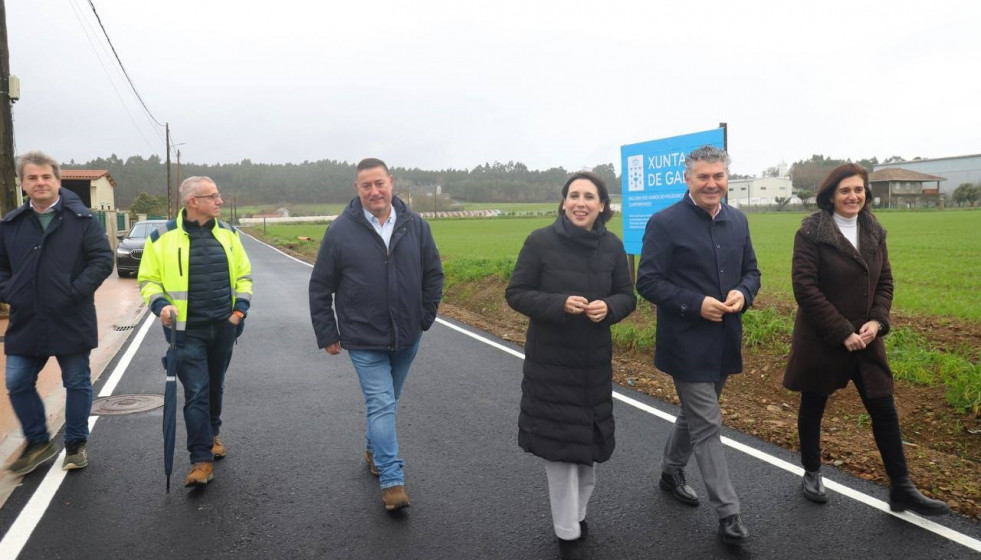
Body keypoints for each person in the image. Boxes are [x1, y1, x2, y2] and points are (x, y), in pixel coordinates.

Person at [783, 164, 950, 516]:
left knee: (884, 408)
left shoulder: (874, 230)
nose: (853, 196)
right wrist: (841, 330)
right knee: (814, 405)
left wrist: (877, 321)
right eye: (845, 190)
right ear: (830, 195)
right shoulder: (811, 232)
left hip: (867, 337)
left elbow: (885, 282)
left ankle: (902, 487)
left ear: (866, 194)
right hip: (824, 336)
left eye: (859, 190)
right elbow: (805, 288)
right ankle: (812, 472)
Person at [505, 171, 636, 560]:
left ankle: (577, 514)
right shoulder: (540, 242)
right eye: (574, 195)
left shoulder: (612, 246)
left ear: (602, 206)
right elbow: (517, 293)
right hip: (551, 361)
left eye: (589, 196)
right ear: (564, 202)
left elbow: (627, 296)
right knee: (561, 448)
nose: (581, 202)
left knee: (588, 445)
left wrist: (609, 308)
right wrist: (558, 304)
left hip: (593, 363)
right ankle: (566, 529)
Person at [636, 145, 760, 544]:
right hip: (685, 342)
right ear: (687, 179)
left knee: (694, 416)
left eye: (718, 176)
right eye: (703, 176)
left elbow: (752, 272)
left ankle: (671, 470)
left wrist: (743, 293)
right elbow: (648, 281)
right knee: (708, 422)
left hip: (725, 340)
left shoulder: (738, 221)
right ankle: (729, 513)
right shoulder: (664, 222)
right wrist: (696, 303)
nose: (712, 183)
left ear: (727, 178)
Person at [309, 158, 443, 511]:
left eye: (379, 183)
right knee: (381, 403)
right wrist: (328, 331)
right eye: (366, 185)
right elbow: (321, 285)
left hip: (407, 335)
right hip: (363, 337)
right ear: (357, 189)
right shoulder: (340, 230)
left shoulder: (415, 225)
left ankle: (373, 449)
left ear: (391, 183)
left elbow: (433, 274)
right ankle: (392, 480)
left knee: (388, 402)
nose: (374, 191)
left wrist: (425, 317)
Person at [0, 151, 114, 475]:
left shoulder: (83, 221)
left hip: (70, 316)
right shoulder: (10, 225)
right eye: (32, 178)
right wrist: (10, 293)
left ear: (58, 181)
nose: (40, 182)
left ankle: (76, 444)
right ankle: (38, 442)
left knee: (77, 381)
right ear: (22, 184)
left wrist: (75, 292)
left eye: (46, 177)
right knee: (18, 381)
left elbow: (101, 260)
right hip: (27, 319)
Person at [138, 176, 253, 488]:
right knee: (197, 391)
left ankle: (213, 432)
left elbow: (244, 274)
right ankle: (200, 460)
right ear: (193, 202)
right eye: (212, 196)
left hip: (225, 327)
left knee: (215, 385)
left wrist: (238, 311)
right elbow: (147, 279)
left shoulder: (229, 234)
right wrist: (160, 304)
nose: (219, 201)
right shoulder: (161, 238)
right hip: (186, 332)